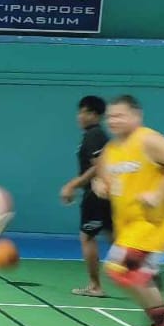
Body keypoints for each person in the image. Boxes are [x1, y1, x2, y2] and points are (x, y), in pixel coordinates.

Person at [93, 95, 164, 326]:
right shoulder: (111, 150)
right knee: (124, 272)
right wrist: (99, 184)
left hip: (151, 225)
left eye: (120, 115)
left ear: (136, 117)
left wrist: (158, 192)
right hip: (128, 228)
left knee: (123, 269)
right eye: (110, 116)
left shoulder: (147, 139)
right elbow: (103, 177)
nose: (113, 120)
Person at [59, 95, 111, 297]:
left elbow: (98, 166)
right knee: (115, 238)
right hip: (102, 193)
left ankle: (96, 286)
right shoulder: (93, 135)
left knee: (87, 237)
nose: (79, 116)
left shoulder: (94, 135)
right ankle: (146, 279)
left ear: (94, 115)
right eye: (79, 111)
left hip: (97, 195)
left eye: (84, 112)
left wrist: (72, 185)